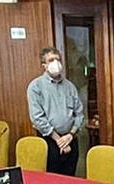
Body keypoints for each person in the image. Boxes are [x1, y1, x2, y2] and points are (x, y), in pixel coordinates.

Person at [27, 47, 84, 176]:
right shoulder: (35, 87)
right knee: (52, 183)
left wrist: (70, 135)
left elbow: (79, 114)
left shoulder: (70, 86)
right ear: (44, 66)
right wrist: (59, 141)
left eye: (58, 59)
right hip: (50, 141)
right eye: (51, 60)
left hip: (71, 139)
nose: (55, 63)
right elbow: (37, 118)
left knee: (70, 181)